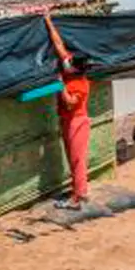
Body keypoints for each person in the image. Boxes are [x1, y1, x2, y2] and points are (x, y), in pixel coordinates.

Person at [44, 14, 91, 210]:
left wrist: (60, 85)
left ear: (77, 70)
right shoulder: (71, 65)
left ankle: (78, 198)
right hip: (67, 119)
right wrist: (47, 20)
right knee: (73, 158)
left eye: (69, 65)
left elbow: (71, 102)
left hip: (77, 122)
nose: (66, 63)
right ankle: (80, 193)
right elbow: (59, 45)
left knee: (77, 159)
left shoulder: (81, 85)